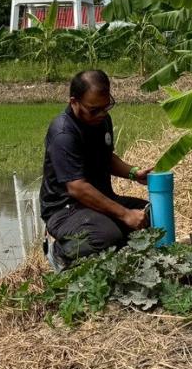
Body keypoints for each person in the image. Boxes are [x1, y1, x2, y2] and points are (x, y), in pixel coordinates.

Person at [40, 69, 152, 265]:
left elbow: (106, 157)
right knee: (106, 235)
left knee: (151, 214)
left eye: (106, 106)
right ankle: (60, 253)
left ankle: (118, 254)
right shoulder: (63, 133)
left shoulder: (101, 120)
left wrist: (133, 173)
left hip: (98, 201)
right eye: (94, 109)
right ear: (74, 102)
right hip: (65, 209)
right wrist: (125, 214)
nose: (101, 114)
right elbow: (77, 188)